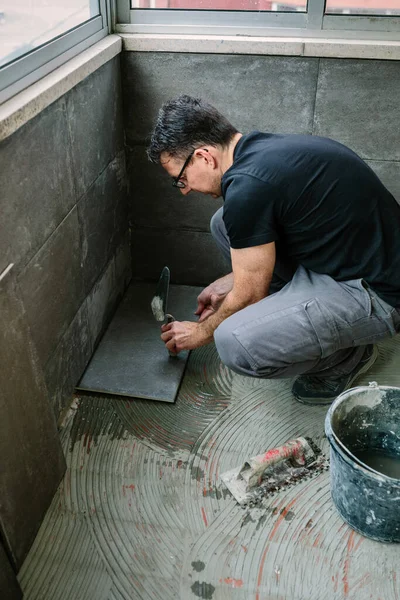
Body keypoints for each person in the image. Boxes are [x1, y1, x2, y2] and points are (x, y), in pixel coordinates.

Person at [147, 94, 400, 405]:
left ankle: (347, 358)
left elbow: (250, 293)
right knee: (223, 224)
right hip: (352, 259)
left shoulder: (247, 188)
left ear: (204, 156)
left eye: (181, 179)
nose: (184, 190)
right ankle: (297, 315)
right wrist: (230, 283)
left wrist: (199, 333)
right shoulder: (262, 150)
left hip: (380, 293)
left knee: (232, 342)